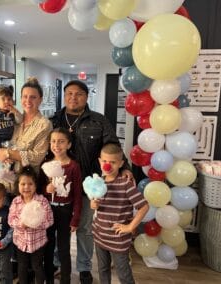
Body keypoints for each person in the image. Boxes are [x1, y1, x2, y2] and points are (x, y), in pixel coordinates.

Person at [50, 80, 132, 284]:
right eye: (69, 93)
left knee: (85, 227)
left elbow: (113, 145)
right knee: (59, 226)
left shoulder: (98, 121)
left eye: (78, 94)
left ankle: (84, 267)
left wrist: (125, 168)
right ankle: (57, 263)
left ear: (86, 97)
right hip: (60, 184)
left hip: (89, 184)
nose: (73, 97)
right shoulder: (54, 120)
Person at [91, 143, 148, 284]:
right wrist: (94, 204)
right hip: (100, 236)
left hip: (118, 240)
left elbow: (144, 206)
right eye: (104, 161)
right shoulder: (99, 183)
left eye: (113, 162)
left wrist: (130, 227)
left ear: (121, 164)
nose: (107, 165)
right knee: (103, 269)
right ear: (99, 161)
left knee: (123, 274)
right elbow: (95, 206)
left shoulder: (126, 184)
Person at [40, 127, 83, 284]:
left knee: (64, 248)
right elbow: (39, 191)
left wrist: (75, 218)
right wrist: (47, 189)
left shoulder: (73, 166)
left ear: (69, 145)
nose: (56, 145)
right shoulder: (46, 165)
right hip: (48, 210)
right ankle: (49, 278)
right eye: (53, 141)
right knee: (48, 245)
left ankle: (66, 279)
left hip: (65, 210)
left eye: (61, 141)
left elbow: (78, 195)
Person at [0, 77, 53, 177]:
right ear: (21, 98)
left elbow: (37, 157)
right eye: (25, 96)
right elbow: (1, 140)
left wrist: (8, 153)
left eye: (33, 97)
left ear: (40, 100)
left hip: (27, 183)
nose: (28, 100)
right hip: (5, 175)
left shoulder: (44, 125)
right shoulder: (13, 119)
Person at [8, 166, 54, 284]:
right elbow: (11, 220)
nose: (26, 187)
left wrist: (36, 223)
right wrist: (21, 224)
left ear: (35, 185)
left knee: (37, 266)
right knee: (22, 266)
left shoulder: (42, 201)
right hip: (20, 241)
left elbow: (50, 220)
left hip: (38, 242)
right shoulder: (16, 201)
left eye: (30, 184)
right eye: (23, 184)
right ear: (18, 185)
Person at [0, 85, 22, 151]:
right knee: (4, 159)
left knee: (12, 158)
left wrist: (15, 111)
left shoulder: (12, 112)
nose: (6, 102)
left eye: (9, 99)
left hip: (11, 143)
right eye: (3, 99)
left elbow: (20, 121)